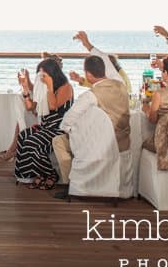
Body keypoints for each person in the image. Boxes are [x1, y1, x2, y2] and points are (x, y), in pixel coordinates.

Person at [51, 55, 129, 197]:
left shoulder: (91, 96)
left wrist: (72, 132)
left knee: (58, 141)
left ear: (87, 73)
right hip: (123, 144)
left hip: (98, 147)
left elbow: (67, 121)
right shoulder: (122, 86)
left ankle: (71, 185)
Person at [13, 57, 73, 190]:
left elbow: (53, 106)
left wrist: (50, 86)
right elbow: (30, 107)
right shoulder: (43, 88)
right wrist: (24, 87)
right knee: (23, 136)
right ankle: (28, 175)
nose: (40, 78)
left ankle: (51, 174)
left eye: (43, 74)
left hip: (59, 129)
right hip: (46, 127)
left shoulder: (66, 88)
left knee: (31, 143)